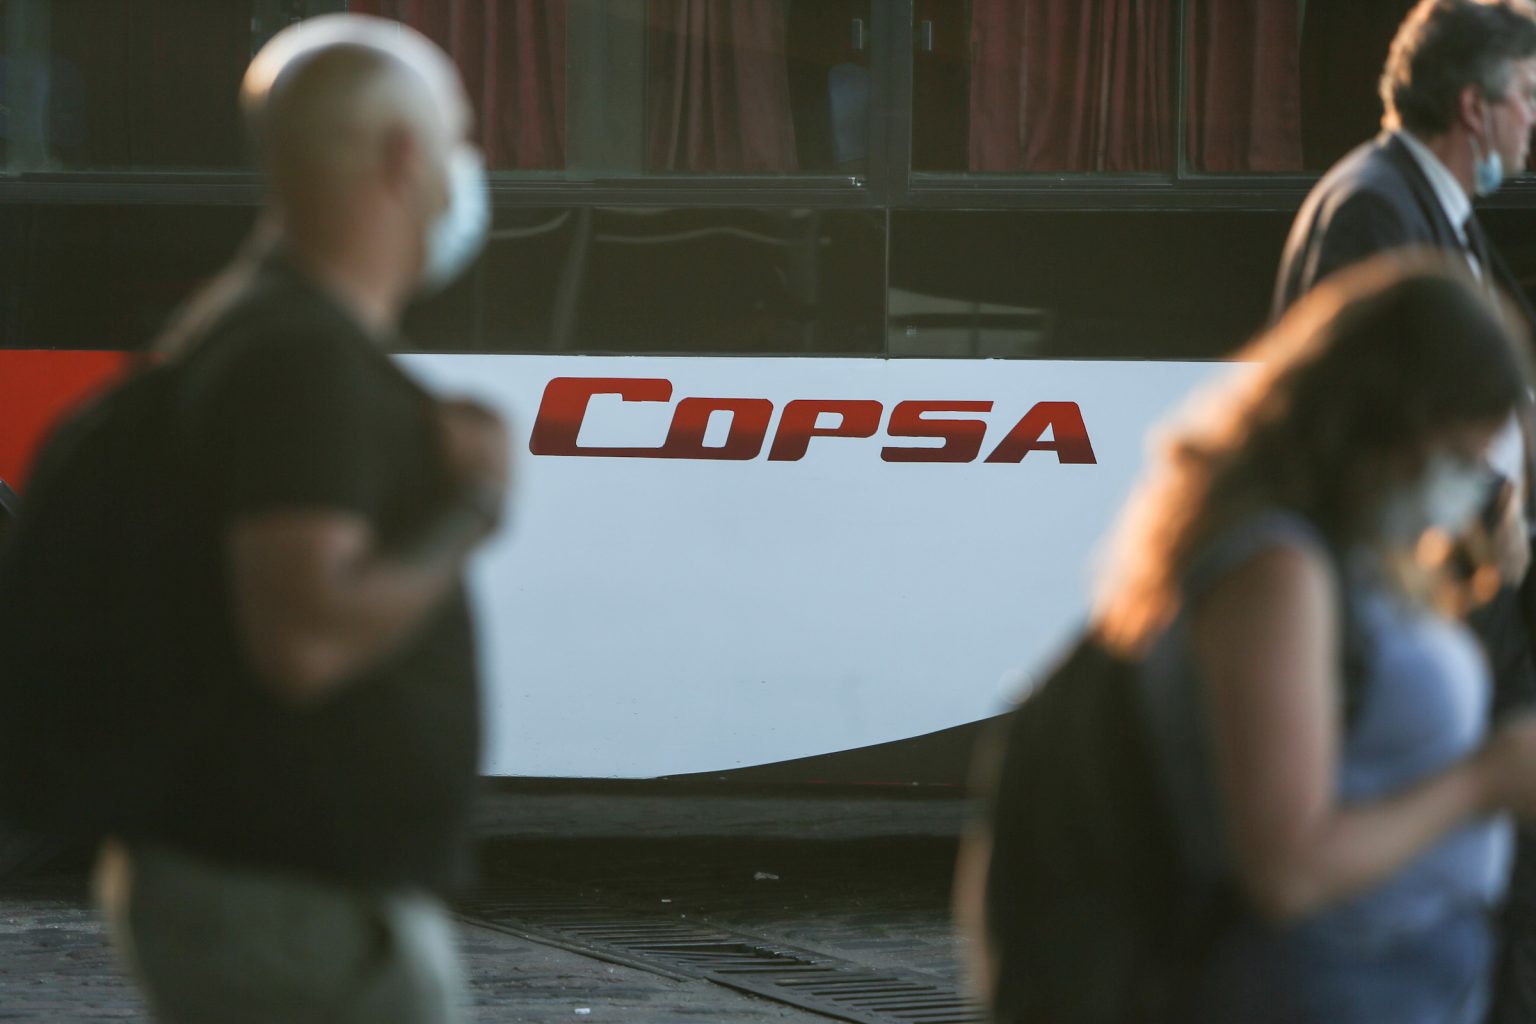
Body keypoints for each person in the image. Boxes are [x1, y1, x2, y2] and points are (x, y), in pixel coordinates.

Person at [90, 15, 504, 1023]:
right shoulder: (301, 359)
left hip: (261, 886)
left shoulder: (254, 327)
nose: (467, 170)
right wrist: (470, 506)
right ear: (404, 157)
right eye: (457, 137)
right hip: (298, 907)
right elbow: (304, 639)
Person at [1064, 255, 1536, 1022]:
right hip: (1331, 988)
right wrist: (1484, 781)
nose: (1475, 482)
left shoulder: (1345, 554)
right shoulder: (1276, 570)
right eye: (1460, 457)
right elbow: (1287, 869)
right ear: (1387, 422)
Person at [1272, 5, 1536, 1017]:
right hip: (1440, 593)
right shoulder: (1372, 210)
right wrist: (1490, 516)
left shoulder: (1436, 208)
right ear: (1475, 105)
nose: (1534, 121)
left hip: (1474, 594)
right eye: (1528, 96)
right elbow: (1367, 430)